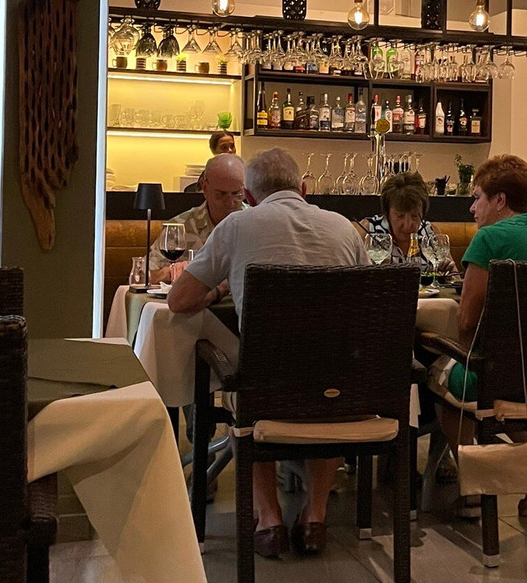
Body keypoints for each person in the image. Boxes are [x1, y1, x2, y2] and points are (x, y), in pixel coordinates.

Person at [168, 148, 369, 559]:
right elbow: (368, 297)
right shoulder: (345, 228)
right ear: (304, 189)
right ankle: (315, 516)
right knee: (330, 377)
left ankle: (269, 518)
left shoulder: (237, 225)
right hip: (339, 391)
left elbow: (179, 300)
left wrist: (220, 287)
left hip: (266, 389)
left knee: (250, 381)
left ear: (248, 196)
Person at [434, 155, 527, 518]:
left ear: (500, 200)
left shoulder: (489, 239)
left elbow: (467, 321)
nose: (472, 208)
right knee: (504, 377)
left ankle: (474, 491)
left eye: (477, 198)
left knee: (443, 379)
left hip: (506, 379)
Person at [148, 153, 245, 284]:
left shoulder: (258, 224)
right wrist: (169, 272)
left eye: (237, 194)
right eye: (221, 194)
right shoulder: (181, 227)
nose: (230, 202)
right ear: (204, 188)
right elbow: (145, 275)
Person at [358, 172, 457, 274]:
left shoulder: (430, 233)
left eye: (414, 216)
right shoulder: (368, 230)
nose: (408, 224)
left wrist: (447, 273)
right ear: (387, 213)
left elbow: (455, 277)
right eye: (400, 216)